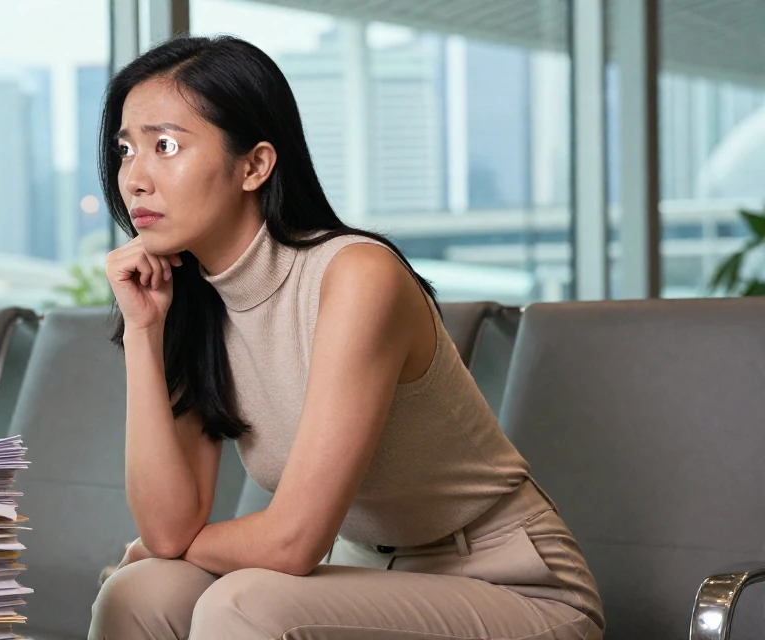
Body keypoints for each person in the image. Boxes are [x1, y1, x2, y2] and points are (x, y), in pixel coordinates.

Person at [90, 35, 604, 640]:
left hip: (508, 583)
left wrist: (178, 546)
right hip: (360, 571)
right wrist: (147, 333)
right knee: (138, 592)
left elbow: (292, 543)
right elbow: (167, 524)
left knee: (242, 604)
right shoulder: (190, 300)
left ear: (254, 164)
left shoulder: (358, 276)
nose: (135, 178)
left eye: (166, 145)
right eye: (126, 150)